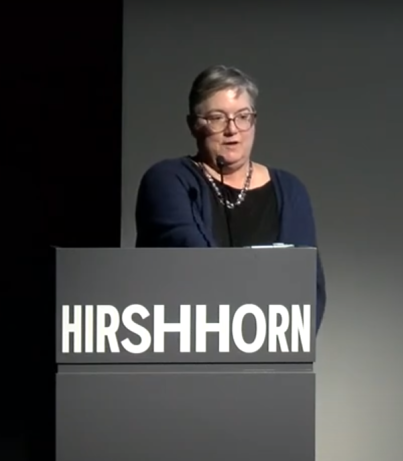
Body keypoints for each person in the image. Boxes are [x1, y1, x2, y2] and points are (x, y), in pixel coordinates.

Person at [135, 64, 327, 331]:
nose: (232, 129)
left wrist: (289, 350)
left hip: (273, 356)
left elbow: (307, 286)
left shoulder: (290, 190)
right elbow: (194, 262)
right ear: (193, 125)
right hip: (189, 346)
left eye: (242, 116)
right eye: (217, 118)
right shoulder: (169, 180)